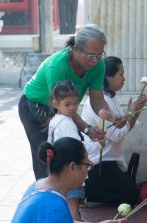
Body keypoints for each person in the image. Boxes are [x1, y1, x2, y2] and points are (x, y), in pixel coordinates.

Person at [18, 24, 126, 180]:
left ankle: (66, 193)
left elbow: (97, 99)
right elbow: (63, 108)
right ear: (75, 49)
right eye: (91, 56)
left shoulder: (98, 65)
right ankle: (48, 193)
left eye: (99, 54)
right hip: (35, 106)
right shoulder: (57, 66)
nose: (95, 60)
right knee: (49, 155)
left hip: (63, 109)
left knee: (65, 152)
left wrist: (113, 117)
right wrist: (88, 129)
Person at [81, 56, 147, 205]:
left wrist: (134, 112)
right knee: (131, 195)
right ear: (108, 77)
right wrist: (133, 113)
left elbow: (123, 128)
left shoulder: (111, 98)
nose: (124, 78)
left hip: (110, 162)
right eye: (121, 74)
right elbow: (117, 135)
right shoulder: (98, 103)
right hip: (98, 164)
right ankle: (87, 192)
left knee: (133, 193)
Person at [12, 137, 124, 223]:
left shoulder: (40, 185)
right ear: (72, 167)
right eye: (87, 165)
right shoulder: (54, 206)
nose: (88, 170)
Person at [47, 80, 105, 221]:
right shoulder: (66, 123)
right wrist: (98, 145)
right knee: (74, 207)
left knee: (67, 205)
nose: (72, 108)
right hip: (71, 172)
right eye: (67, 104)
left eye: (75, 103)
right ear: (55, 104)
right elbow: (77, 148)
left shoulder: (55, 120)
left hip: (60, 170)